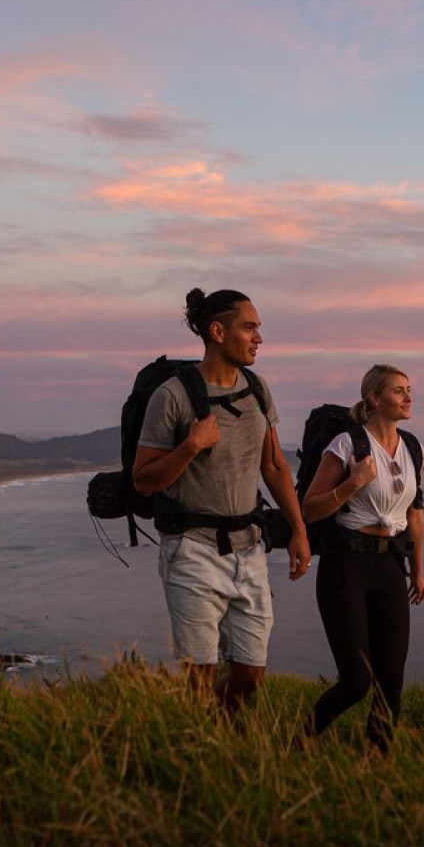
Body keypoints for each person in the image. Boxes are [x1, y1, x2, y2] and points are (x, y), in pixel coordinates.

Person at [132, 288, 310, 714]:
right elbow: (142, 480)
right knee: (200, 678)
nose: (258, 338)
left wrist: (301, 531)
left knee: (250, 676)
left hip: (249, 550)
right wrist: (190, 446)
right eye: (249, 327)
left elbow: (275, 467)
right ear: (217, 331)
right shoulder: (172, 396)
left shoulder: (258, 389)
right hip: (191, 549)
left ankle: (212, 734)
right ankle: (205, 755)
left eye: (258, 329)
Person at [301, 364, 424, 751]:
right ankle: (297, 742)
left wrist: (417, 571)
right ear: (374, 398)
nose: (408, 397)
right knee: (356, 680)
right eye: (398, 391)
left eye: (409, 390)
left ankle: (377, 765)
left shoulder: (413, 447)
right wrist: (352, 483)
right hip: (346, 565)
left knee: (391, 681)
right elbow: (309, 509)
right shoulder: (346, 444)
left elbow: (415, 515)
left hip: (390, 565)